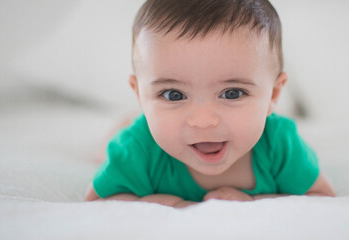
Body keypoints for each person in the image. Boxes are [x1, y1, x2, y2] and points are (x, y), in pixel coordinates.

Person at [85, 0, 335, 208]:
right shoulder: (136, 147)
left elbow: (322, 199)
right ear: (140, 95)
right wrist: (174, 205)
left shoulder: (281, 145)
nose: (203, 120)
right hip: (135, 135)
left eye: (232, 93)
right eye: (173, 94)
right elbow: (98, 202)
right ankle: (123, 123)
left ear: (273, 95)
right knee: (105, 150)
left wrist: (251, 200)